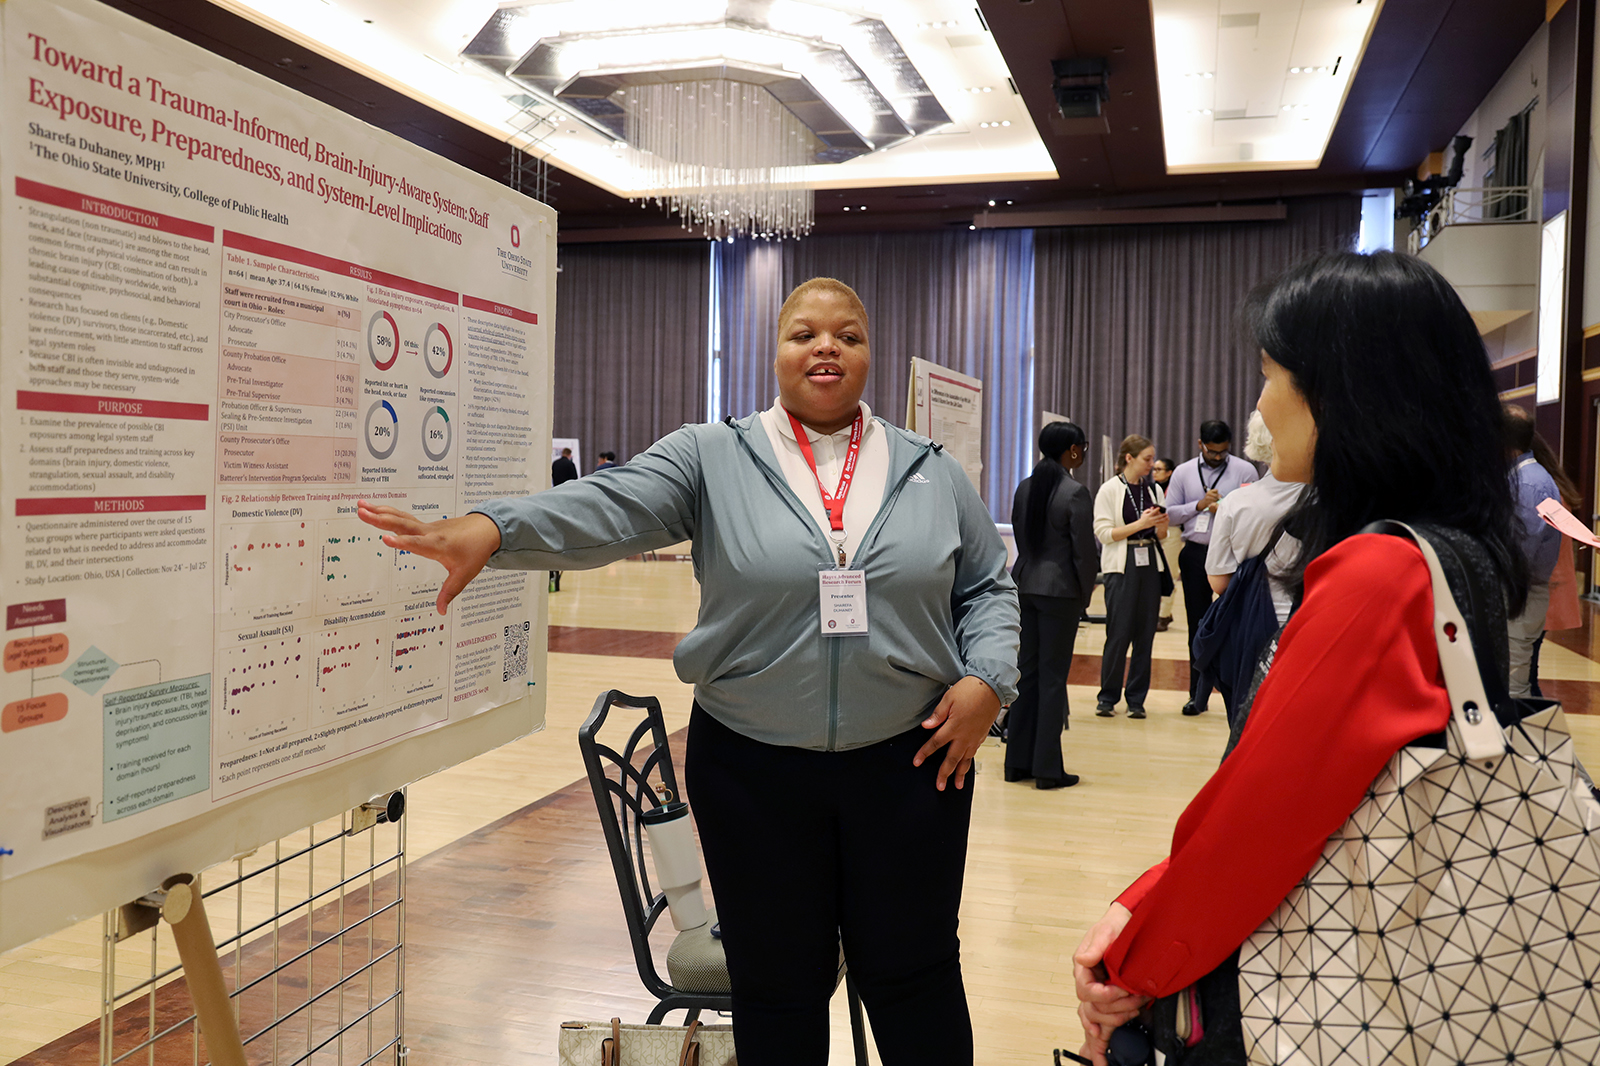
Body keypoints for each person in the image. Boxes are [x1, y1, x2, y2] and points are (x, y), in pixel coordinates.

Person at [356, 277, 1019, 1063]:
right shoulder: (713, 455)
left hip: (912, 764)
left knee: (914, 977)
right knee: (778, 987)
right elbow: (607, 506)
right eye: (804, 333)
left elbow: (987, 585)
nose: (826, 348)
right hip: (753, 772)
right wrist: (494, 528)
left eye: (848, 335)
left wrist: (988, 681)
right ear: (775, 352)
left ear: (869, 354)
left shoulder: (929, 468)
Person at [1072, 251, 1527, 1066]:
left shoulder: (1377, 574)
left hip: (1328, 981)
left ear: (1344, 396)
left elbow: (1262, 814)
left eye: (1271, 375)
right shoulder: (1458, 554)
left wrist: (1135, 956)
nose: (1261, 404)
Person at [1007, 421, 1096, 789]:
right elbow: (1084, 554)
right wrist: (1085, 595)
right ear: (1073, 451)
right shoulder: (1075, 492)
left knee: (1026, 676)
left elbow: (1019, 535)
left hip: (1025, 585)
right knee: (1053, 678)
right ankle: (1047, 770)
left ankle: (1017, 764)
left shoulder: (1025, 487)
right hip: (1060, 594)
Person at [1162, 421, 1257, 717]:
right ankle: (1196, 696)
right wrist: (1199, 505)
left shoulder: (1245, 471)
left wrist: (1226, 507)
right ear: (1200, 443)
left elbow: (1255, 509)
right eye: (1213, 452)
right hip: (1195, 554)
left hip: (1235, 554)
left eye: (1224, 451)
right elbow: (1170, 513)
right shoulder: (1184, 472)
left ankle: (1240, 695)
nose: (1219, 457)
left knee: (1237, 626)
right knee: (1197, 625)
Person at [1093, 436, 1169, 720]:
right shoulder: (1110, 490)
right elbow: (1103, 533)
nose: (1152, 464)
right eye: (1147, 459)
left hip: (1149, 562)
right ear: (1129, 458)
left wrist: (1161, 525)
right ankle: (1107, 697)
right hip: (1121, 565)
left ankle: (1136, 699)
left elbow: (1162, 535)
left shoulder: (1154, 490)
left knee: (1145, 634)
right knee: (1119, 632)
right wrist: (1140, 524)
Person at [1204, 411, 1301, 623]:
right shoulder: (1324, 498)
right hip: (1309, 621)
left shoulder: (1235, 502)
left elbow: (1218, 582)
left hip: (1252, 620)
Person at [1503, 404, 1562, 699]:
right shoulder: (1530, 477)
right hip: (1522, 594)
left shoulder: (1529, 484)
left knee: (1514, 689)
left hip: (1519, 595)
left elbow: (1519, 552)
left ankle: (1521, 744)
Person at [1528, 427, 1583, 696]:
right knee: (1529, 669)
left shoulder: (1539, 489)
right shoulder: (1552, 485)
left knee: (1525, 673)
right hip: (1547, 588)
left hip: (1541, 588)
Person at [1152, 458, 1179, 632]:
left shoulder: (1175, 488)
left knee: (1169, 572)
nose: (1155, 472)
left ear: (1169, 472)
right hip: (1152, 531)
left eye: (1159, 469)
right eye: (1154, 469)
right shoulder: (1149, 487)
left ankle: (1164, 614)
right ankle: (1156, 612)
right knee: (1154, 574)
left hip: (1173, 531)